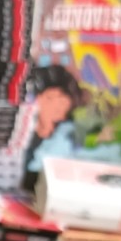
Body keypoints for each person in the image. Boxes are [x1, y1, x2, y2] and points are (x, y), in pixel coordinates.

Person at [22, 63, 84, 191]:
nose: (59, 107)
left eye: (63, 102)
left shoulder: (65, 138)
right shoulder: (22, 132)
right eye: (49, 98)